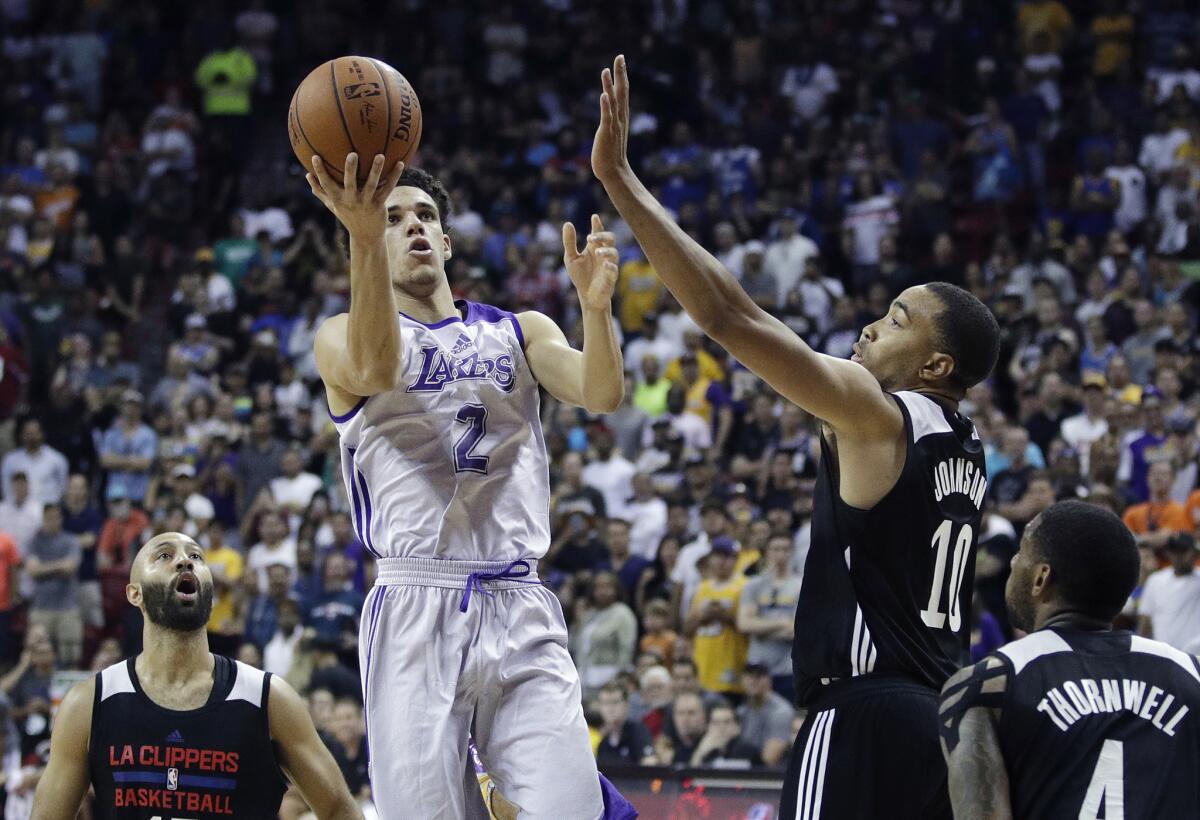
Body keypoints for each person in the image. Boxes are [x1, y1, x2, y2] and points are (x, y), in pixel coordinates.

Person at [592, 56, 1000, 819]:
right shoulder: (968, 452)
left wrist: (622, 184)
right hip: (935, 725)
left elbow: (728, 318)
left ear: (937, 364)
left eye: (900, 319)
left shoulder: (878, 410)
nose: (873, 324)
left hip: (860, 716)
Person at [306, 153, 624, 818]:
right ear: (363, 241)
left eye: (425, 216)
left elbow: (601, 391)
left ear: (447, 241)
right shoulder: (337, 338)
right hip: (416, 603)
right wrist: (362, 235)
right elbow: (372, 365)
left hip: (518, 599)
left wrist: (595, 310)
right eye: (392, 220)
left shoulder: (519, 330)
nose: (414, 227)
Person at [31, 531, 360, 819]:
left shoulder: (267, 697)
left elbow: (339, 810)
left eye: (196, 557)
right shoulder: (90, 703)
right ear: (135, 593)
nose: (184, 562)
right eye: (164, 555)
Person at [938, 500, 1200, 818]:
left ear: (1040, 578)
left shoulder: (988, 683)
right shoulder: (1191, 674)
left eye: (1021, 553)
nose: (1012, 563)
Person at [1138, 532, 1200, 654]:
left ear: (1194, 553)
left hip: (1194, 655)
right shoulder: (1156, 580)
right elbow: (1146, 620)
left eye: (1183, 551)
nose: (1178, 556)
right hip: (1162, 655)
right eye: (1174, 551)